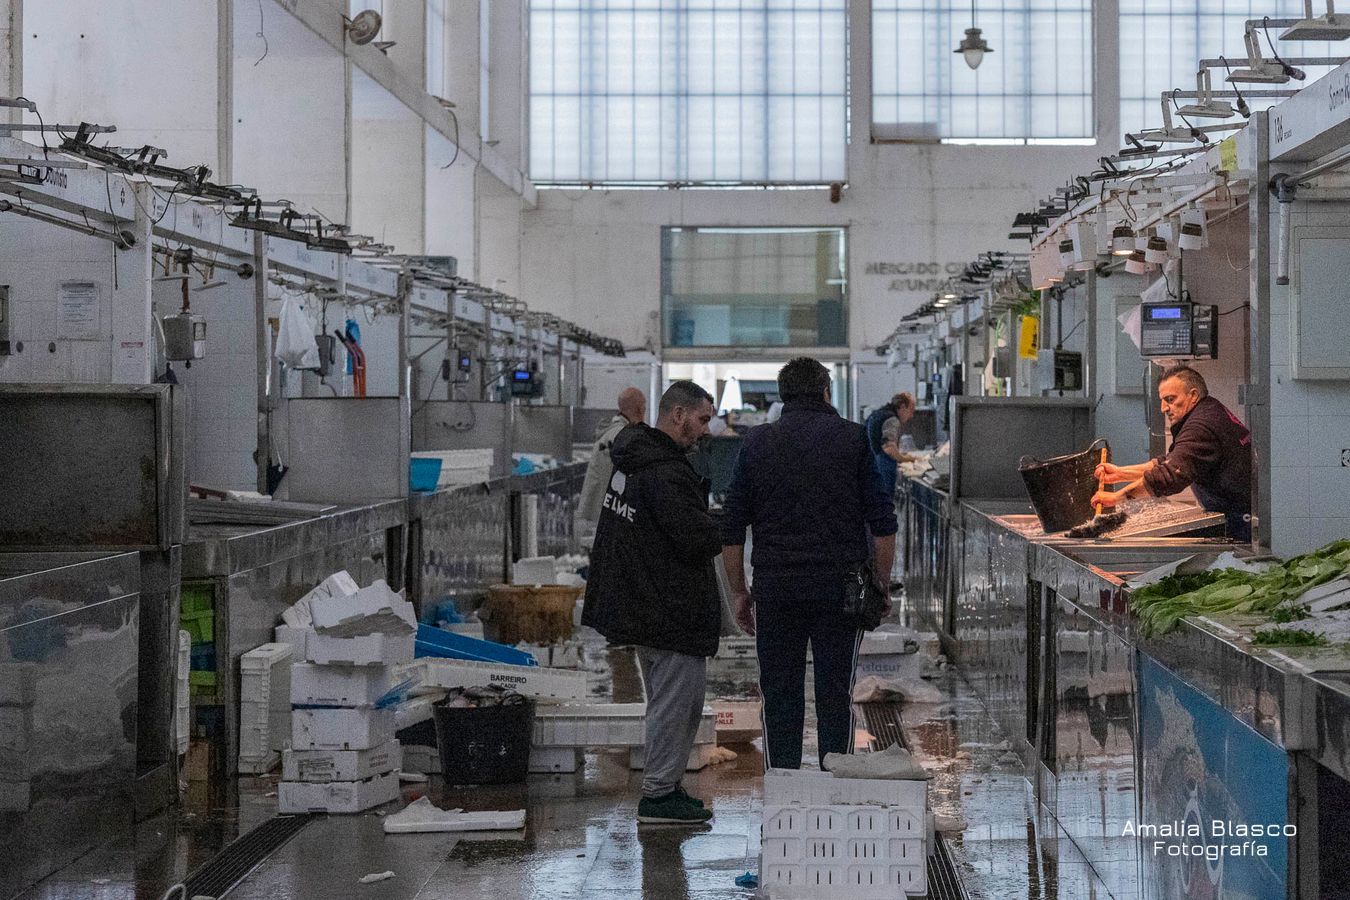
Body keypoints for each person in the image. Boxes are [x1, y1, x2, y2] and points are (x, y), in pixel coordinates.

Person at [721, 358, 898, 770]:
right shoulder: (852, 439)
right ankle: (835, 786)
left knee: (779, 695)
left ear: (783, 396)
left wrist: (739, 593)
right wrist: (881, 584)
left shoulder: (756, 443)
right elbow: (883, 523)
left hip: (775, 589)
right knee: (835, 694)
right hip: (840, 592)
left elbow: (731, 529)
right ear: (825, 391)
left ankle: (782, 789)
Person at [581, 381, 721, 824]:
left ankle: (665, 786)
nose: (703, 431)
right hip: (669, 608)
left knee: (666, 702)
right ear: (677, 414)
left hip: (643, 603)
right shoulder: (664, 471)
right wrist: (731, 523)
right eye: (701, 420)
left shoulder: (633, 460)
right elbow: (694, 538)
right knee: (677, 705)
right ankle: (660, 795)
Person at [1093, 365, 1253, 541]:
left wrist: (1116, 498)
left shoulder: (1200, 426)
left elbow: (1170, 475)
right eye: (1162, 400)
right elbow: (1171, 461)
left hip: (1242, 520)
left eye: (1170, 399)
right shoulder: (1208, 409)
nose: (1163, 408)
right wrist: (1120, 473)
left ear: (1193, 395)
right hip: (1238, 512)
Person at [575, 387, 646, 542]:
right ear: (640, 410)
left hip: (599, 511)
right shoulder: (625, 436)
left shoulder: (608, 432)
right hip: (615, 515)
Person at [864, 392, 916, 499]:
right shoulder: (892, 420)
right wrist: (906, 459)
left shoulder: (877, 414)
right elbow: (889, 448)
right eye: (911, 410)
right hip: (882, 469)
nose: (911, 415)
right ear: (902, 407)